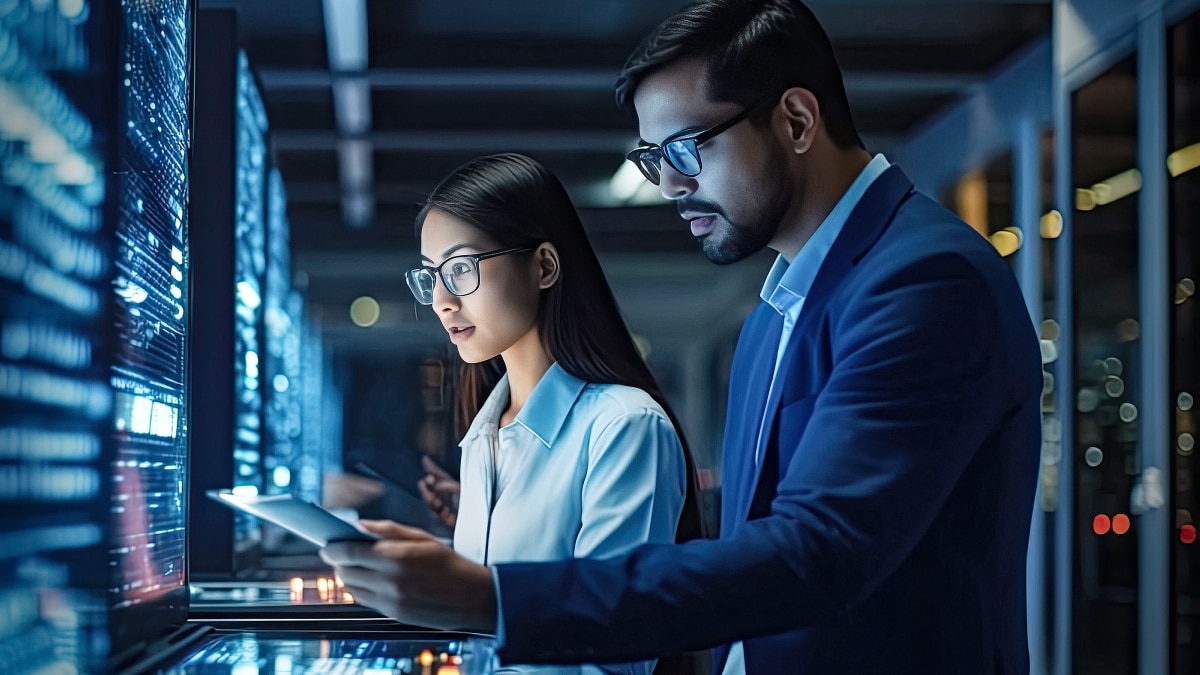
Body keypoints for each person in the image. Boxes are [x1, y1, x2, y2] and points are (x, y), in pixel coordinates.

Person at [321, 1, 1043, 673]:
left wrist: (495, 597)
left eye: (686, 149)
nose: (667, 184)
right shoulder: (772, 316)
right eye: (652, 159)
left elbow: (820, 552)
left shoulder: (925, 278)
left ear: (795, 121)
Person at [339, 153, 703, 675]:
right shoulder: (486, 437)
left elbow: (615, 658)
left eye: (461, 269)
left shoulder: (624, 427)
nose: (440, 300)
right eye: (430, 276)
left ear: (544, 266)